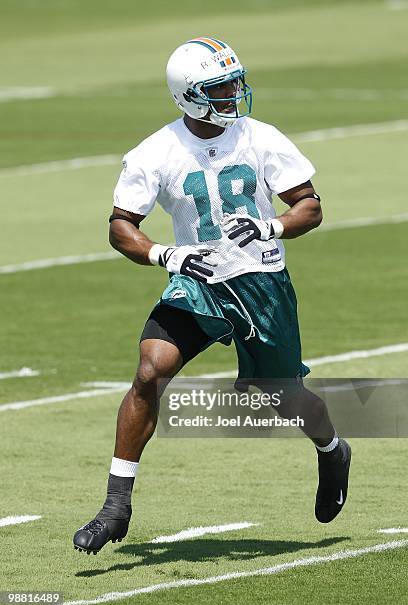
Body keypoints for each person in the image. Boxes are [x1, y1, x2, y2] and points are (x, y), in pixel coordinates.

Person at [73, 37, 351, 555]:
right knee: (150, 370)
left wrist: (272, 227)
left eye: (233, 83)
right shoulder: (154, 151)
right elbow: (121, 226)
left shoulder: (261, 136)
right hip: (197, 281)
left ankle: (332, 449)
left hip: (261, 284)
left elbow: (309, 205)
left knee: (280, 397)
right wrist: (165, 255)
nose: (233, 95)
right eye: (220, 88)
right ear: (188, 95)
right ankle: (116, 503)